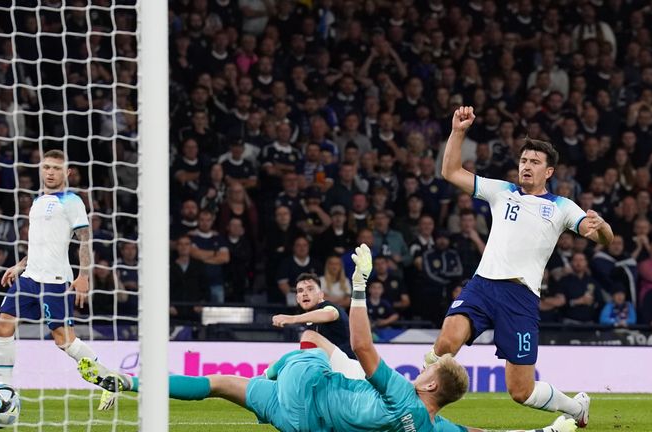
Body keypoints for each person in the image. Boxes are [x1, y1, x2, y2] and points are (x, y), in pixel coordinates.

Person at [79, 244, 578, 432]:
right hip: (301, 422)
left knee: (237, 375)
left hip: (307, 388)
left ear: (429, 385)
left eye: (428, 368)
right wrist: (548, 431)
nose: (423, 364)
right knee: (229, 384)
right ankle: (129, 388)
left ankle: (128, 385)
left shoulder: (404, 393)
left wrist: (359, 287)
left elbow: (363, 350)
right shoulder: (431, 429)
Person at [433, 107, 615, 428]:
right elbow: (450, 172)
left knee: (521, 391)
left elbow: (602, 239)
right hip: (482, 286)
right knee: (447, 342)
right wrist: (458, 131)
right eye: (523, 160)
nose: (526, 166)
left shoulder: (560, 207)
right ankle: (415, 410)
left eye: (534, 162)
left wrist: (601, 227)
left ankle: (575, 409)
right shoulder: (502, 192)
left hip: (520, 297)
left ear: (549, 172)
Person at [0, 150, 117, 403]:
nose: (50, 172)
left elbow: (84, 240)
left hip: (55, 281)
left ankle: (109, 379)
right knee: (3, 326)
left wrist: (83, 276)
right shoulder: (38, 202)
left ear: (67, 172)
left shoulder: (72, 201)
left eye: (56, 168)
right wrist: (19, 265)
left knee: (64, 341)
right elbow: (40, 244)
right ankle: (4, 388)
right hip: (29, 277)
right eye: (46, 167)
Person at [271, 272, 353, 358]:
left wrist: (292, 319)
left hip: (347, 362)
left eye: (310, 289)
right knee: (274, 364)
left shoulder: (329, 306)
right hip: (328, 365)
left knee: (309, 335)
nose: (304, 294)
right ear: (297, 299)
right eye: (300, 291)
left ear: (321, 295)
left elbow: (330, 314)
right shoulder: (308, 321)